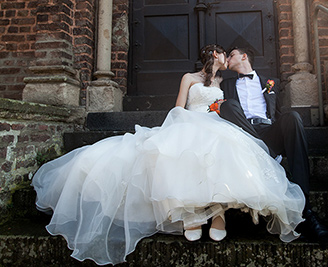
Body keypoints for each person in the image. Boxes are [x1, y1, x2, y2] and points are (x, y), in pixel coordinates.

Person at [31, 44, 306, 266]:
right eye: (224, 53)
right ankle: (193, 213)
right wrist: (181, 125)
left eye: (231, 54)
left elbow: (232, 108)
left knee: (219, 146)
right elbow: (179, 108)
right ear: (214, 55)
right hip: (189, 120)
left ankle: (219, 210)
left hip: (218, 123)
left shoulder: (225, 81)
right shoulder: (189, 78)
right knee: (187, 147)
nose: (227, 57)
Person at [219, 46, 328, 244]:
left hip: (268, 131)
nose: (228, 59)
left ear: (244, 56)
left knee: (292, 117)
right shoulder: (226, 83)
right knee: (228, 105)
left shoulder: (269, 82)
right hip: (242, 133)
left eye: (231, 55)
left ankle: (305, 208)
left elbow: (277, 112)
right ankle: (260, 148)